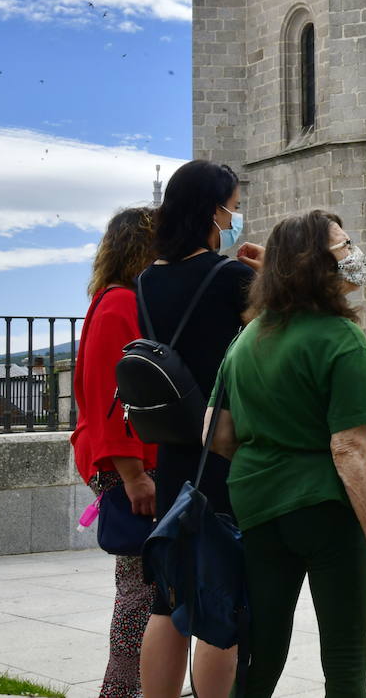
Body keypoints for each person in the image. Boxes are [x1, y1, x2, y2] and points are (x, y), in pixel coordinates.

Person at [205, 210, 366, 697]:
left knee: (262, 651)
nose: (352, 253)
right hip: (326, 511)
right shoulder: (341, 339)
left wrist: (271, 457)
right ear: (314, 263)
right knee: (344, 655)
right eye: (342, 245)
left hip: (257, 507)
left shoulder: (247, 338)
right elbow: (349, 448)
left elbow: (214, 432)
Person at [137, 160, 263, 698]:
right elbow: (270, 343)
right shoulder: (233, 278)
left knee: (169, 596)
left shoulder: (147, 280)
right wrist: (267, 275)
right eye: (234, 206)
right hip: (225, 451)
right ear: (215, 210)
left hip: (173, 452)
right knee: (222, 599)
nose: (237, 216)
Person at [70, 206, 159, 698]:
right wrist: (134, 475)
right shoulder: (118, 305)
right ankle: (121, 690)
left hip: (132, 465)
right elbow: (113, 397)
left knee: (143, 587)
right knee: (138, 590)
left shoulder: (117, 300)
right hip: (131, 468)